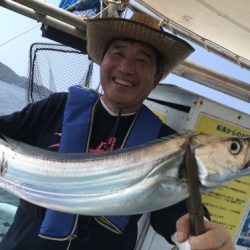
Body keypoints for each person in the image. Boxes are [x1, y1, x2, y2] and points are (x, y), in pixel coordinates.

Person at [0, 12, 235, 250]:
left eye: (142, 61)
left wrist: (197, 231)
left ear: (157, 78)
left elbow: (176, 208)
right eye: (118, 53)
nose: (125, 67)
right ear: (103, 60)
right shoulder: (57, 106)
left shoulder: (166, 141)